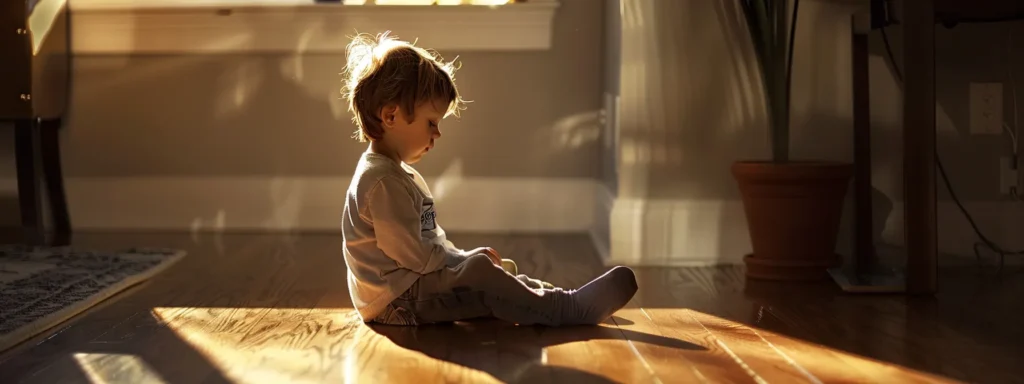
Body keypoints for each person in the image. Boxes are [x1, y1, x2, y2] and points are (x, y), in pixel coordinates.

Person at [339, 32, 638, 327]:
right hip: (395, 301)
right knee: (480, 272)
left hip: (409, 288)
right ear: (390, 117)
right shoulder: (381, 183)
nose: (437, 134)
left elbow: (430, 241)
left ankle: (546, 295)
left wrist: (462, 259)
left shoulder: (400, 175)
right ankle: (563, 307)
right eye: (431, 122)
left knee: (491, 269)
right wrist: (464, 264)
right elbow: (417, 257)